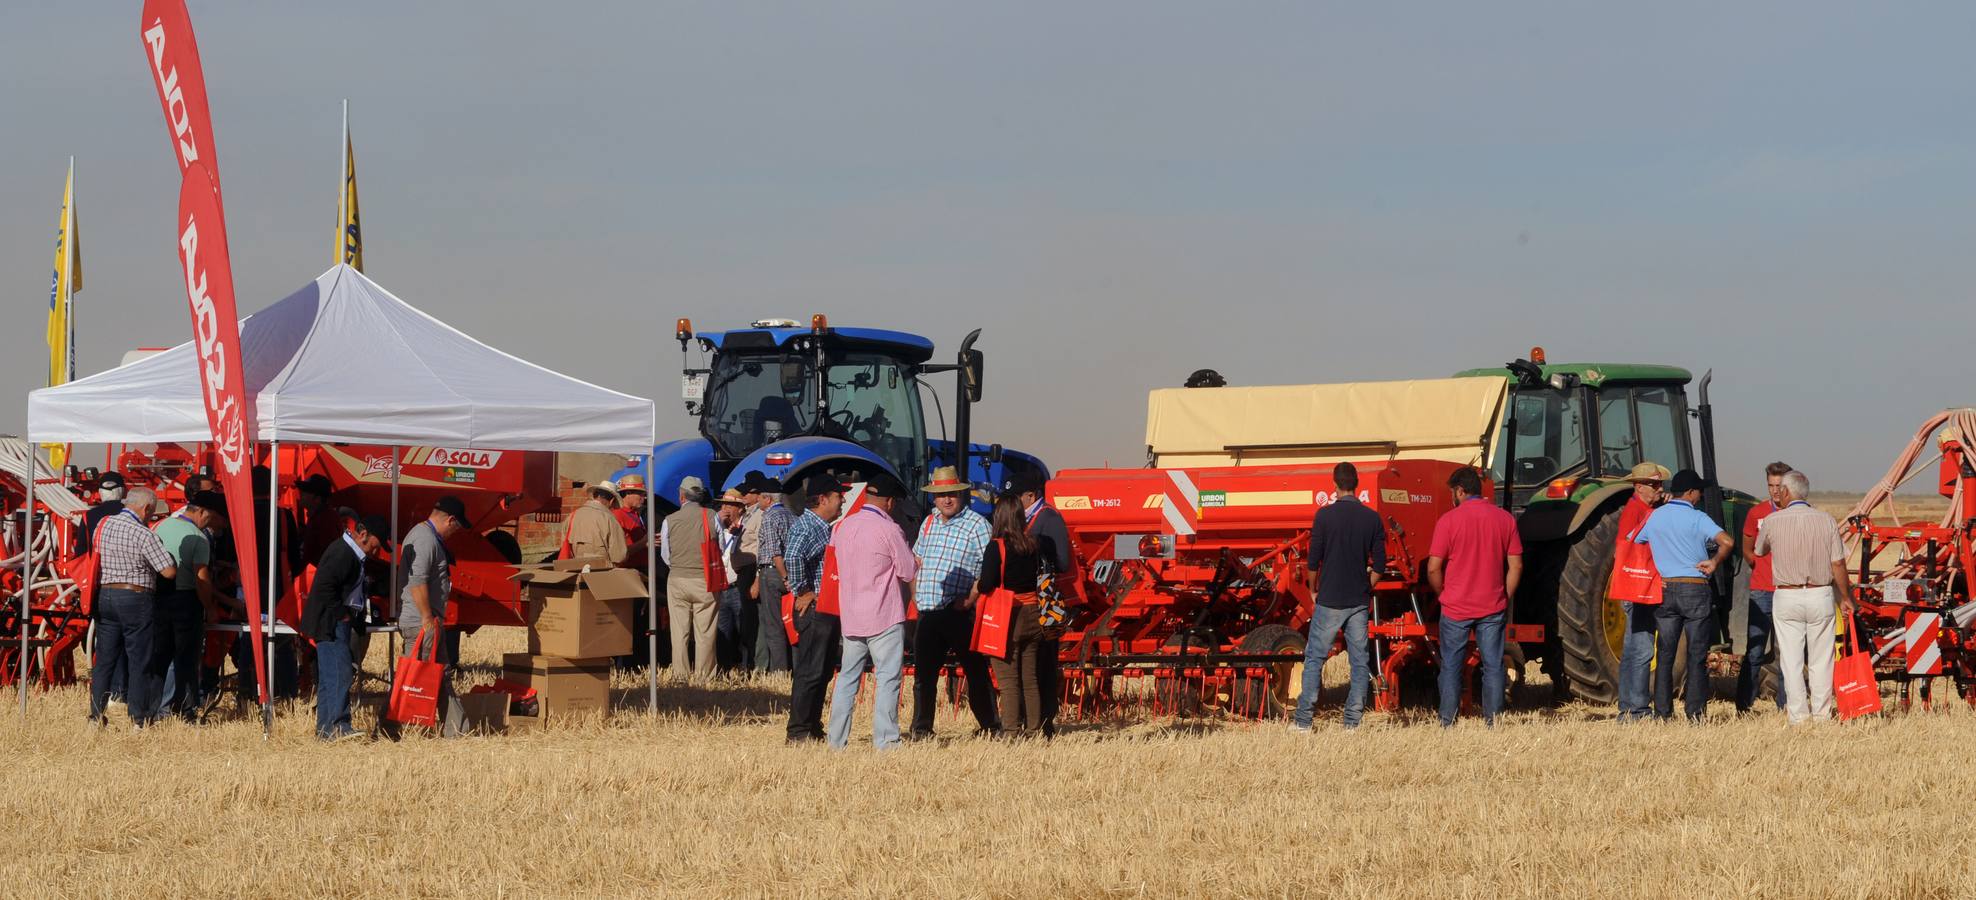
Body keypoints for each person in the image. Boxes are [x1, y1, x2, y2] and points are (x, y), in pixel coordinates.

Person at [1751, 470, 1853, 724]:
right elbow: (1838, 563)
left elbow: (1759, 550)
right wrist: (1846, 597)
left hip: (1787, 596)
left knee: (1791, 659)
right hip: (1820, 594)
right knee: (1821, 659)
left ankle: (1798, 716)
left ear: (1785, 492)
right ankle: (1821, 714)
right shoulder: (1826, 520)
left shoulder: (1773, 520)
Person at [1292, 462, 1386, 732]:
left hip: (1329, 598)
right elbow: (1380, 563)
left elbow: (1313, 560)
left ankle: (1303, 721)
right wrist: (1366, 586)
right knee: (1359, 662)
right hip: (1357, 600)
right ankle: (1352, 723)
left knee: (1314, 659)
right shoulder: (1371, 519)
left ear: (1334, 484)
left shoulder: (1324, 516)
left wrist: (1312, 588)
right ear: (1357, 484)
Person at [826, 480, 918, 750]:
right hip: (883, 614)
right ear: (890, 503)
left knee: (847, 679)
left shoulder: (842, 527)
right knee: (888, 678)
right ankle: (886, 741)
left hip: (852, 614)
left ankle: (836, 740)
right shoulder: (890, 529)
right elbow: (907, 571)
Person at [1634, 468, 1731, 723]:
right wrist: (1714, 562)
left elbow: (1634, 540)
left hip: (1665, 589)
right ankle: (1695, 713)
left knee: (1665, 654)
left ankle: (1663, 713)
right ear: (1689, 492)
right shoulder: (1698, 518)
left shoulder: (1656, 517)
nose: (1700, 495)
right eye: (1699, 490)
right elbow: (1727, 542)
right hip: (1694, 588)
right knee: (1697, 654)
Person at [1426, 467, 1522, 728]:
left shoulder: (1448, 521)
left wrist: (1442, 594)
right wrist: (1504, 596)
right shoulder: (1505, 520)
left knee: (1451, 667)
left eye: (1452, 493)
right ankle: (1494, 721)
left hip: (1455, 607)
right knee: (1492, 667)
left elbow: (1433, 568)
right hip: (1492, 606)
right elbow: (1516, 566)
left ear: (1460, 491)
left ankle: (1447, 721)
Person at [909, 466, 998, 739]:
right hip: (928, 611)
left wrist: (970, 599)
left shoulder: (977, 525)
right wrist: (915, 595)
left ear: (961, 494)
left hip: (958, 612)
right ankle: (921, 729)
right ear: (934, 498)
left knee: (975, 671)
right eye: (940, 495)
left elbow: (989, 570)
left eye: (951, 494)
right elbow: (917, 561)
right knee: (924, 677)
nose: (946, 500)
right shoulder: (929, 522)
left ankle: (990, 726)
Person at [89, 487, 177, 728]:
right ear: (147, 508)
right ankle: (138, 718)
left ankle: (95, 716)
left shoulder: (103, 525)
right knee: (140, 660)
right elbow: (168, 571)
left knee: (104, 660)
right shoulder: (144, 534)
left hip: (105, 595)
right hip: (135, 598)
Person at [143, 490, 230, 723]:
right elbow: (201, 579)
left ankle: (153, 709)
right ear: (202, 512)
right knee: (184, 658)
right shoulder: (198, 537)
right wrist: (210, 607)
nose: (210, 523)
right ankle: (177, 709)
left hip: (158, 597)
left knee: (160, 656)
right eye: (210, 517)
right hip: (185, 601)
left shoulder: (161, 526)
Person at [977, 494, 1061, 736]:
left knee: (1008, 679)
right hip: (1035, 613)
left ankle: (1012, 730)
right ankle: (1035, 729)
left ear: (999, 516)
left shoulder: (997, 546)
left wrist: (976, 586)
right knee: (1030, 677)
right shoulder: (1034, 544)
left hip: (1008, 616)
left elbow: (987, 583)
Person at [302, 514, 390, 740]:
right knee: (340, 673)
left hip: (330, 622)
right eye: (375, 545)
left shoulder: (346, 552)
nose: (376, 552)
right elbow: (324, 587)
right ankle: (339, 725)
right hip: (331, 624)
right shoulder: (343, 553)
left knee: (330, 676)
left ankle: (325, 730)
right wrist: (342, 615)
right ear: (363, 535)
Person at [1006, 471, 1073, 735]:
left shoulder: (1049, 519)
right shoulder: (1024, 519)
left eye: (1016, 497)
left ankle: (1045, 721)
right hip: (1024, 602)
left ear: (1031, 495)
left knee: (1043, 664)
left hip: (1044, 604)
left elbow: (1063, 562)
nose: (1013, 502)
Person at [784, 473, 848, 743]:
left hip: (826, 608)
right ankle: (798, 730)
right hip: (814, 610)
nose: (842, 500)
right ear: (822, 499)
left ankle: (811, 726)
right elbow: (792, 555)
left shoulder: (822, 526)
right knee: (810, 671)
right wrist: (803, 590)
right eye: (838, 496)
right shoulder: (808, 526)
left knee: (821, 671)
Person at [397, 496, 468, 736]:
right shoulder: (426, 540)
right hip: (422, 623)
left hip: (428, 622)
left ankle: (457, 731)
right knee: (415, 678)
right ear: (450, 520)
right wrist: (427, 618)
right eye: (457, 527)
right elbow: (417, 582)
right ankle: (395, 729)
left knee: (441, 675)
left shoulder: (423, 536)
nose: (455, 532)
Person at [1611, 461, 1670, 723]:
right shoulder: (1635, 510)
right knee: (1642, 649)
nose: (1659, 489)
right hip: (1641, 587)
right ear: (1639, 487)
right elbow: (1630, 543)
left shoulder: (1642, 508)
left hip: (1637, 587)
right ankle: (1637, 709)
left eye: (1660, 484)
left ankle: (1628, 706)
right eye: (1653, 484)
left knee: (1633, 647)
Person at [1736, 461, 1795, 713]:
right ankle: (1744, 705)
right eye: (1770, 485)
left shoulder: (1798, 513)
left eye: (1779, 485)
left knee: (1787, 654)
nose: (1774, 490)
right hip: (1761, 591)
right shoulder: (1756, 513)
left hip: (1788, 591)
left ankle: (1785, 705)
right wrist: (1760, 567)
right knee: (1755, 650)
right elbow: (1747, 550)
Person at [660, 477, 721, 681]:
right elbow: (718, 546)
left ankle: (680, 675)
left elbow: (665, 555)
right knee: (705, 632)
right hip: (705, 580)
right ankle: (704, 677)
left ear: (681, 495)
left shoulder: (669, 520)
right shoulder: (712, 516)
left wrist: (678, 566)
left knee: (679, 632)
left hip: (677, 578)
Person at [753, 476, 796, 673]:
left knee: (773, 626)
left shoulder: (770, 517)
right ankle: (795, 668)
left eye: (759, 498)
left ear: (767, 499)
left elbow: (774, 551)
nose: (757, 501)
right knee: (792, 623)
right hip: (791, 571)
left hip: (773, 572)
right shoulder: (791, 514)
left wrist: (784, 576)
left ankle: (780, 672)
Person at [713, 489, 753, 671]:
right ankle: (724, 669)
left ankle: (746, 668)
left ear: (740, 508)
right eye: (723, 504)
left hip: (738, 587)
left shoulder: (745, 528)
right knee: (723, 633)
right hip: (722, 587)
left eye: (729, 505)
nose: (725, 508)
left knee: (744, 631)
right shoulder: (719, 529)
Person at [563, 481, 629, 565]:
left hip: (574, 570)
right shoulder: (609, 519)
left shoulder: (572, 516)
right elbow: (619, 556)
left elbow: (564, 546)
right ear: (612, 501)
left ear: (594, 496)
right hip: (601, 573)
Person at [76, 470, 127, 554]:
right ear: (123, 491)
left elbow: (81, 549)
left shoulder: (89, 516)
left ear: (100, 491)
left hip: (96, 565)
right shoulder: (131, 513)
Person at [613, 474, 650, 551]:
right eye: (641, 494)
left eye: (645, 495)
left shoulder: (635, 513)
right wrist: (643, 543)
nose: (644, 498)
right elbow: (618, 552)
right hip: (630, 563)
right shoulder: (617, 515)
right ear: (628, 493)